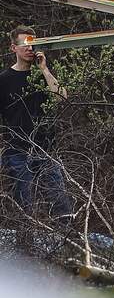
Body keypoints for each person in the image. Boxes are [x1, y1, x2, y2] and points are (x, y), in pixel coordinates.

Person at [0, 25, 73, 218]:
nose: (29, 48)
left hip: (46, 149)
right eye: (24, 44)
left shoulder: (42, 76)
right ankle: (27, 244)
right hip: (17, 152)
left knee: (61, 205)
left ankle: (66, 242)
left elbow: (62, 98)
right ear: (13, 48)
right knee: (25, 207)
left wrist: (44, 69)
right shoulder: (4, 80)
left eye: (33, 44)